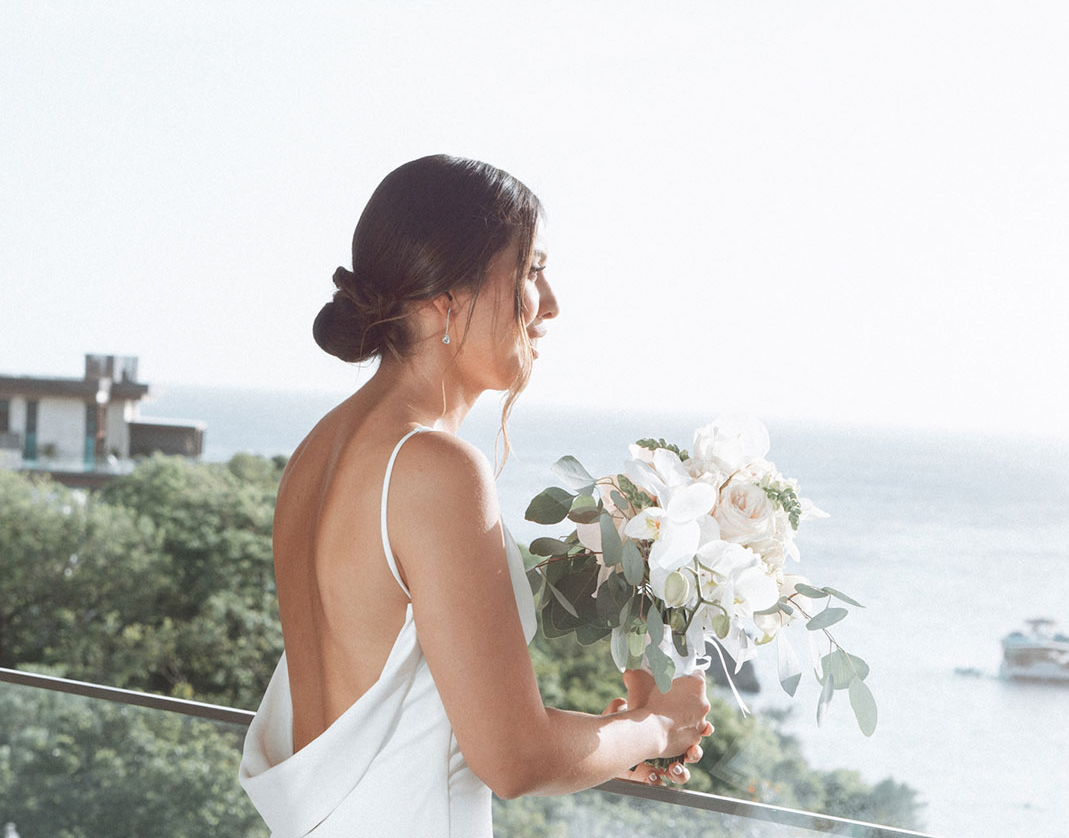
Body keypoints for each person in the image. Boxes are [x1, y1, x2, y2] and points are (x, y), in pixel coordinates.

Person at [238, 155, 714, 837]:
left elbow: (418, 722)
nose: (549, 304)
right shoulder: (435, 467)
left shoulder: (317, 451)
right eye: (529, 272)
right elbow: (514, 758)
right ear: (446, 300)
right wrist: (659, 725)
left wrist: (606, 745)